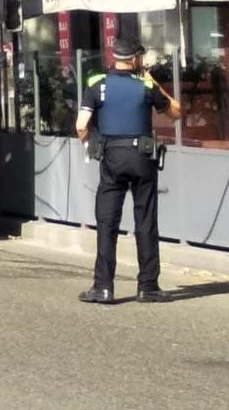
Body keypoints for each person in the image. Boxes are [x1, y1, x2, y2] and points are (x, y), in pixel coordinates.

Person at [75, 37, 182, 304]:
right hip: (142, 157)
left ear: (115, 58)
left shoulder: (96, 85)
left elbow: (80, 125)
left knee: (106, 222)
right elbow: (176, 113)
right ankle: (148, 286)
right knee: (145, 220)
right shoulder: (145, 86)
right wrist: (154, 83)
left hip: (111, 157)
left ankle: (103, 287)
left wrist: (93, 145)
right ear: (134, 60)